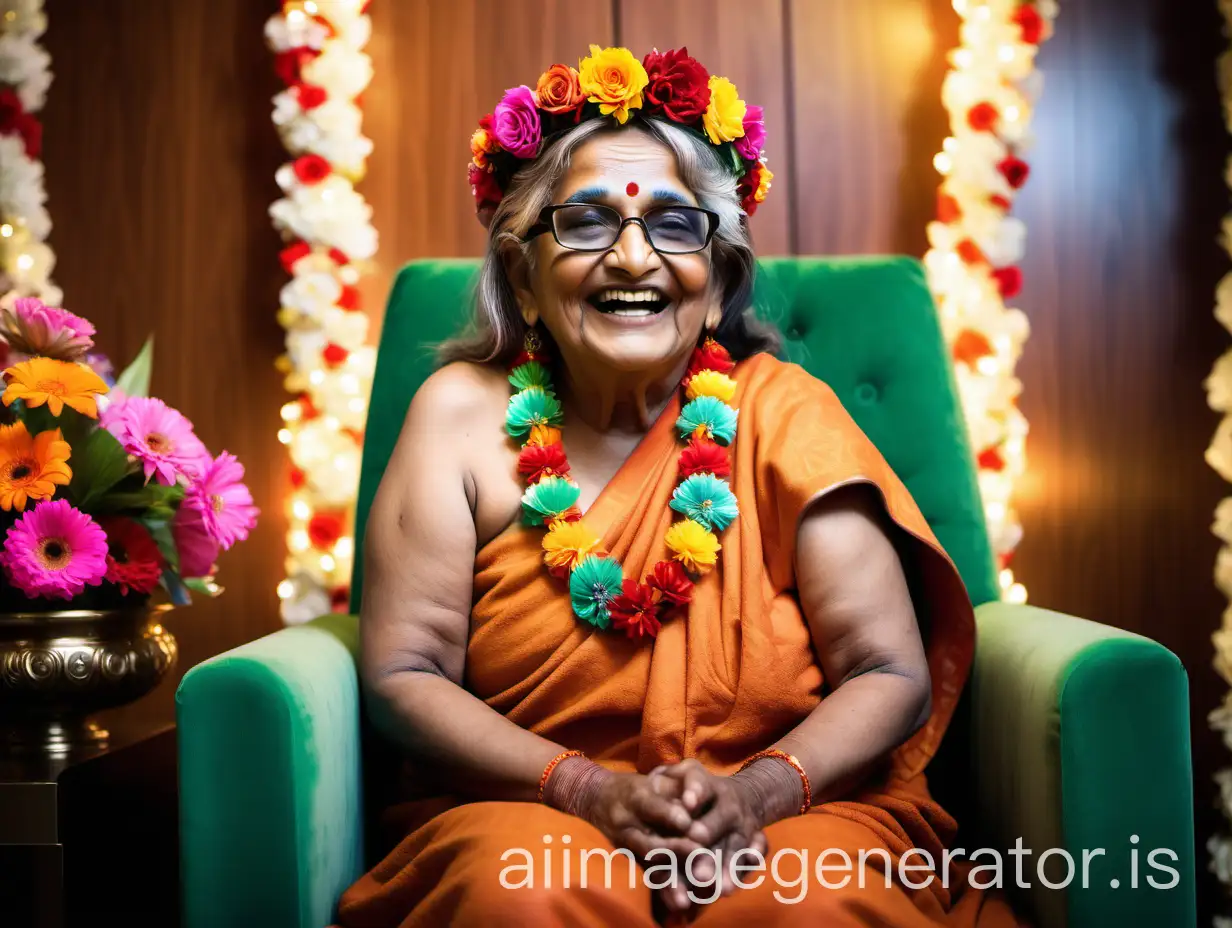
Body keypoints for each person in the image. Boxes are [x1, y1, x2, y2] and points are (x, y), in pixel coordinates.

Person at [338, 45, 1020, 927]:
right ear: (523, 280)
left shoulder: (784, 413)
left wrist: (759, 796)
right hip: (530, 809)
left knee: (815, 903)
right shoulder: (459, 416)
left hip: (792, 809)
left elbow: (887, 669)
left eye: (674, 224)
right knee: (509, 890)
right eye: (585, 222)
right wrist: (585, 791)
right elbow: (404, 671)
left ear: (717, 282)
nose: (632, 257)